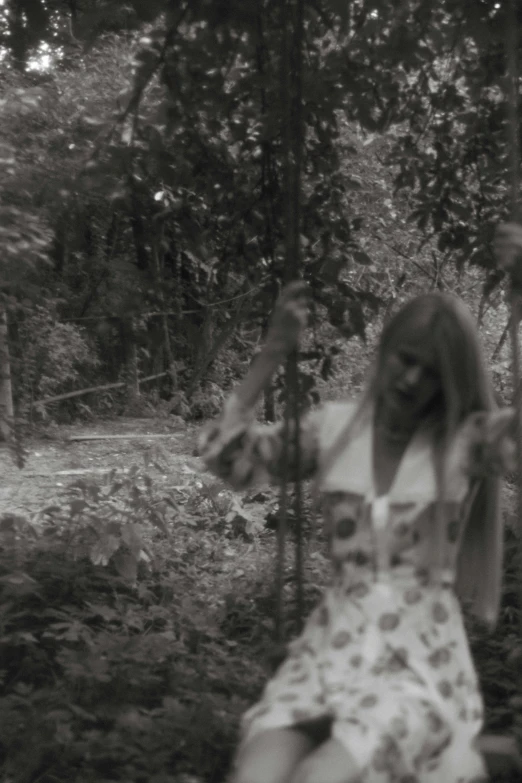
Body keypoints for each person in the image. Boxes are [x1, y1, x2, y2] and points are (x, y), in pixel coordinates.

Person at [198, 225, 520, 783]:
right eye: (406, 359)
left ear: (449, 384)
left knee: (318, 776)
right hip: (331, 653)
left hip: (418, 668)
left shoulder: (463, 445)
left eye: (432, 374)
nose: (412, 379)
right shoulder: (335, 431)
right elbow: (232, 460)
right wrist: (273, 351)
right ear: (386, 348)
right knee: (256, 775)